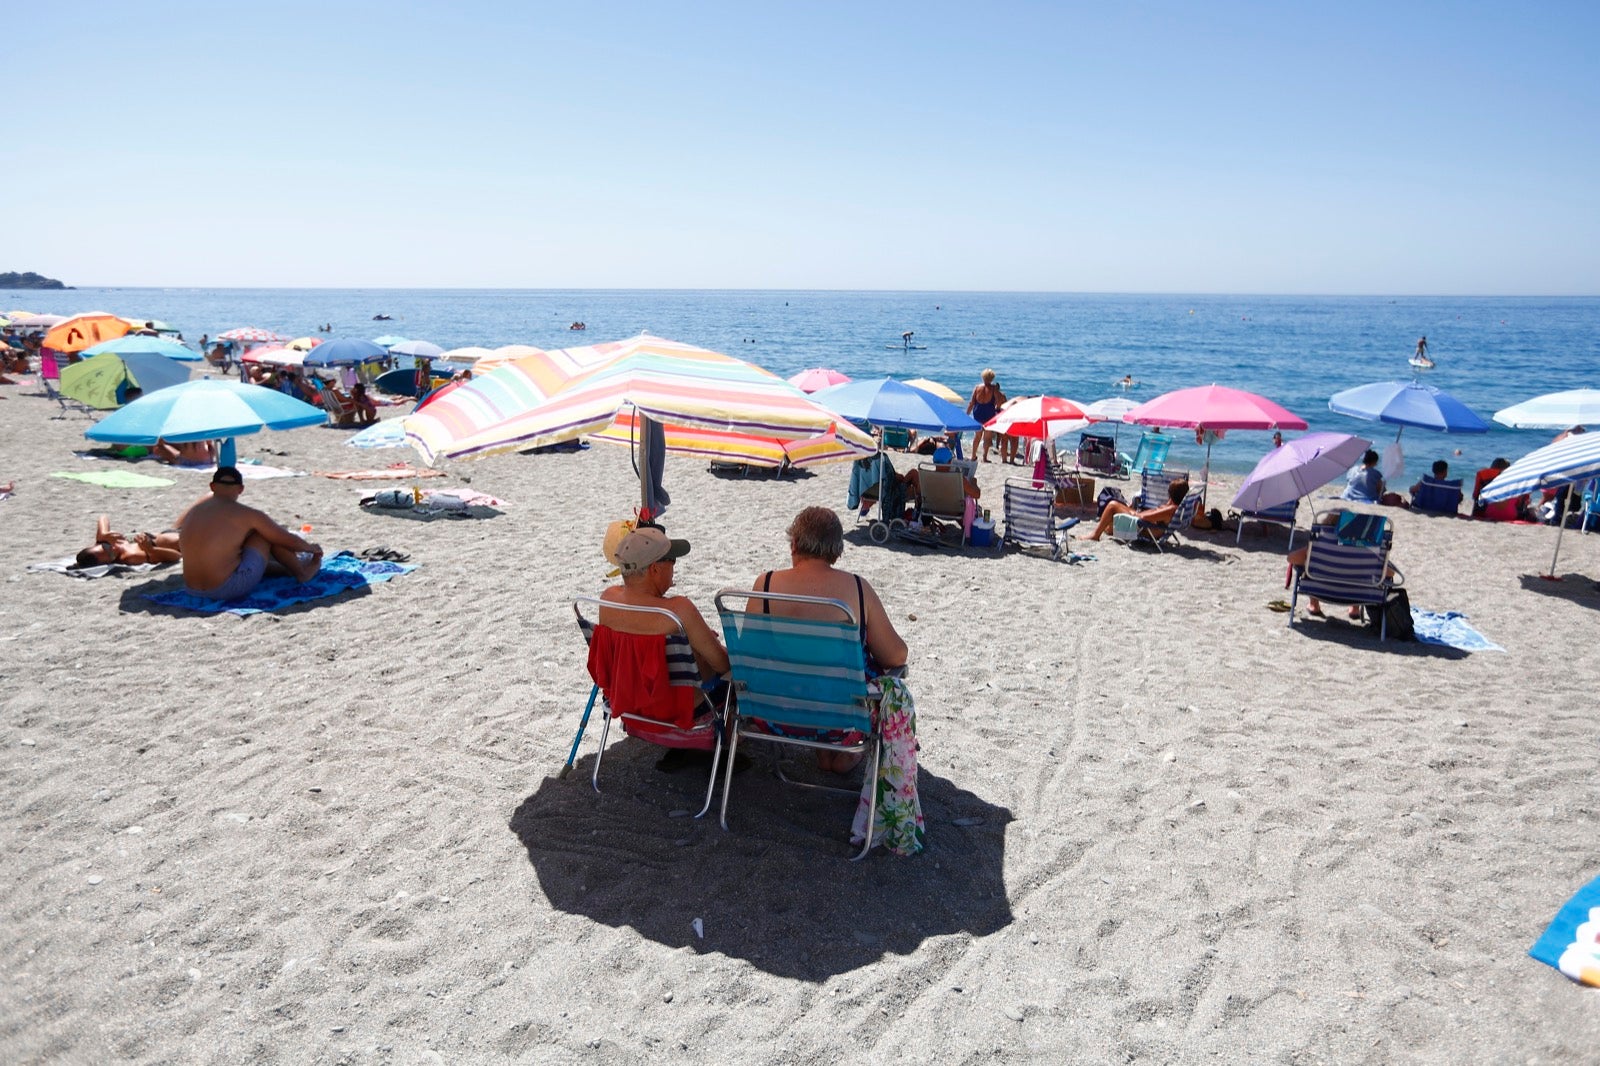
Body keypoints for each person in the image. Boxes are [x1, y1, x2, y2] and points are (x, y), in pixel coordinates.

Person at [750, 506, 908, 771]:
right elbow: (896, 656)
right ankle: (841, 754)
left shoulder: (765, 584)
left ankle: (822, 751)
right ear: (836, 550)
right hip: (841, 721)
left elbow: (751, 654)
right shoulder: (857, 589)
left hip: (774, 714)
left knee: (799, 670)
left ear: (795, 544)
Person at [599, 524, 728, 682]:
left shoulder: (608, 600)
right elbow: (722, 664)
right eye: (672, 560)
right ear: (654, 569)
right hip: (684, 704)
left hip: (624, 702)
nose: (674, 565)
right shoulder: (678, 611)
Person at [177, 467, 322, 600]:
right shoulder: (247, 514)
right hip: (225, 589)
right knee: (264, 534)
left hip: (192, 589)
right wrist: (311, 548)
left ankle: (285, 569)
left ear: (212, 486)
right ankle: (302, 573)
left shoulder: (194, 511)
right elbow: (286, 540)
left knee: (239, 544)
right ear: (240, 489)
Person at [1085, 479, 1188, 541]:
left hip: (1148, 530)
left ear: (1171, 493)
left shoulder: (1171, 509)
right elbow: (1153, 514)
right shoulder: (1174, 507)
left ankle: (1095, 535)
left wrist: (1134, 513)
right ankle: (1108, 529)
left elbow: (1144, 517)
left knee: (1112, 505)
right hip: (1149, 525)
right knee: (1112, 521)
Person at [72, 515, 182, 569]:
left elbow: (103, 517)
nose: (113, 547)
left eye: (106, 546)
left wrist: (103, 534)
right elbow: (176, 557)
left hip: (168, 531)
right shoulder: (131, 557)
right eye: (111, 555)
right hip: (184, 541)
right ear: (108, 563)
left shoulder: (103, 542)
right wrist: (151, 549)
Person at [967, 369, 1005, 463]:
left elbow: (972, 403)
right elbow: (999, 401)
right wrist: (997, 406)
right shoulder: (993, 389)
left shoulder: (977, 388)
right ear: (992, 378)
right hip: (989, 413)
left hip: (978, 413)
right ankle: (984, 457)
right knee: (987, 437)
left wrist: (967, 414)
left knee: (977, 436)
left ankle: (973, 455)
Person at [151, 438, 217, 465]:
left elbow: (160, 443)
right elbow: (209, 443)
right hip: (207, 459)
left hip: (184, 460)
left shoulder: (181, 429)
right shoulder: (201, 428)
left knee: (158, 448)